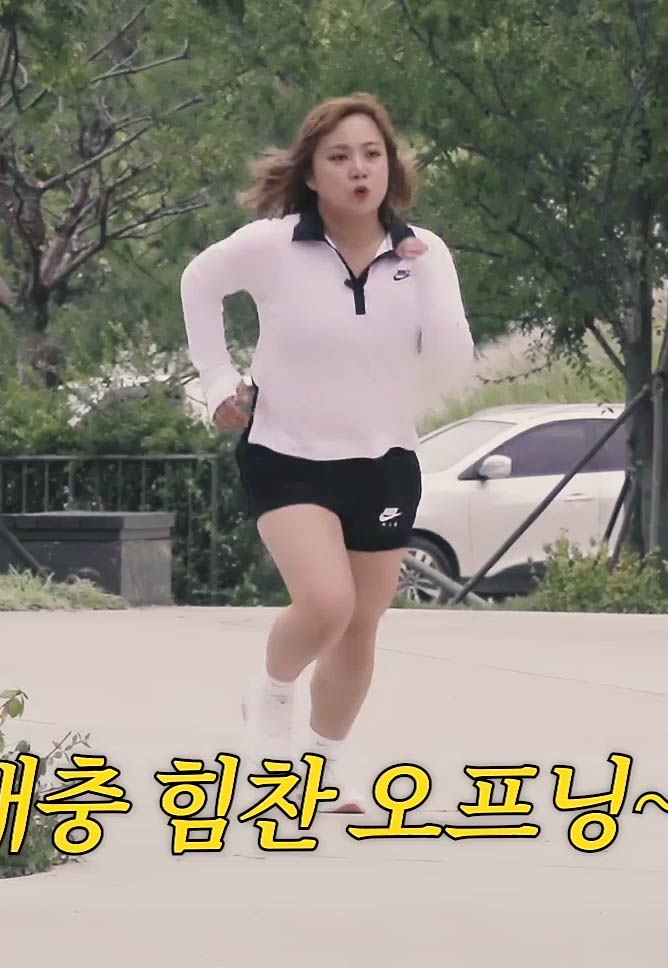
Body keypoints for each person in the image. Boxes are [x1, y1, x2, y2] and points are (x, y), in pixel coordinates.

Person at [179, 93, 478, 814]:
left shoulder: (425, 252)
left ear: (390, 166)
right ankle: (271, 694)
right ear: (312, 174)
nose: (358, 170)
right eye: (339, 158)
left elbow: (453, 361)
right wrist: (216, 382)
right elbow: (198, 283)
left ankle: (325, 765)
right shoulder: (273, 246)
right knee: (325, 602)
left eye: (372, 155)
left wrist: (425, 277)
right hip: (287, 454)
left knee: (360, 623)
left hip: (384, 461)